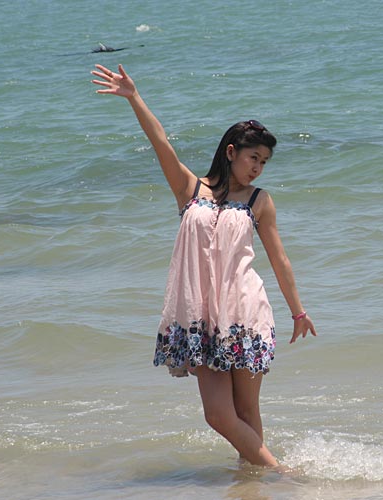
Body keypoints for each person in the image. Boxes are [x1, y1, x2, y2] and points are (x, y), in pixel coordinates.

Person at [91, 64, 317, 468]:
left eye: (264, 161)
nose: (258, 168)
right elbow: (160, 142)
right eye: (253, 158)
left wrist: (298, 311)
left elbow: (279, 259)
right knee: (218, 416)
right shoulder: (189, 188)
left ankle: (256, 486)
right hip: (202, 320)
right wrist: (134, 97)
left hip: (246, 313)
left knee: (246, 414)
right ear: (231, 152)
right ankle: (282, 474)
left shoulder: (259, 201)